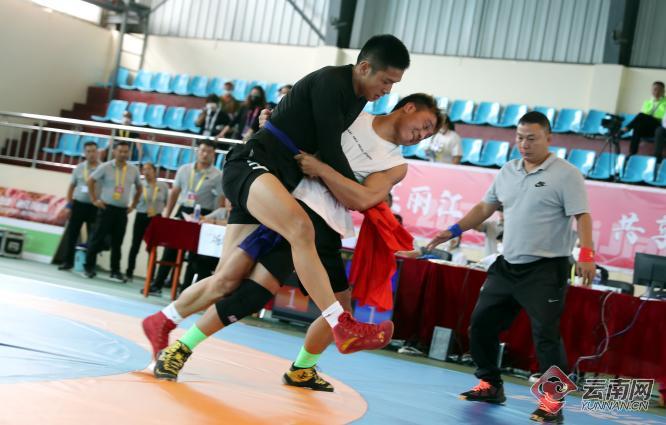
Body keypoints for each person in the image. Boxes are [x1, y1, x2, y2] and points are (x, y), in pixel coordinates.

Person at [144, 93, 440, 386]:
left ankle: (302, 368)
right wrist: (273, 122)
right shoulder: (351, 117)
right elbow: (296, 129)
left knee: (338, 306)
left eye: (429, 134)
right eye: (425, 125)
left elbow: (361, 199)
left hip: (327, 223)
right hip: (293, 206)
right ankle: (178, 345)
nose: (423, 135)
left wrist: (321, 169)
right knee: (242, 287)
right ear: (409, 107)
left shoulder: (395, 164)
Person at [214, 33, 410, 355]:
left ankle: (165, 324)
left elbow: (310, 131)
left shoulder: (358, 98)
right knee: (300, 230)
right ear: (364, 68)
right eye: (386, 81)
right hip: (254, 164)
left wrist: (357, 194)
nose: (388, 90)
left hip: (279, 179)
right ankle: (340, 323)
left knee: (224, 283)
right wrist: (355, 192)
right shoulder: (332, 82)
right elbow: (330, 150)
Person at [426, 111, 596, 423]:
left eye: (532, 138)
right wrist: (452, 230)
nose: (524, 144)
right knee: (481, 324)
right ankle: (490, 384)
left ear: (548, 138)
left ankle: (552, 403)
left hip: (546, 268)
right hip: (507, 265)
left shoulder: (566, 174)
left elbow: (582, 215)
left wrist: (587, 253)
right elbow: (484, 207)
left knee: (545, 335)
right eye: (519, 138)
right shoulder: (508, 170)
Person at [148, 140, 222, 294]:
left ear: (214, 154)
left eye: (209, 151)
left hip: (203, 214)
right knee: (170, 249)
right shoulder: (184, 169)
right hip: (183, 210)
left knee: (195, 254)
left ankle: (186, 290)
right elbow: (175, 192)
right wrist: (167, 215)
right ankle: (157, 284)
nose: (205, 154)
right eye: (202, 150)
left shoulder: (218, 175)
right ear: (197, 151)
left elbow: (219, 201)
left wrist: (212, 221)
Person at [83, 141, 142, 282]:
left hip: (122, 211)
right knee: (97, 238)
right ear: (114, 152)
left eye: (126, 151)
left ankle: (115, 271)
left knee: (117, 242)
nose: (123, 154)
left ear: (129, 153)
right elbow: (90, 181)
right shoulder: (105, 167)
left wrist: (133, 205)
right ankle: (89, 267)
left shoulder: (133, 169)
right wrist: (94, 199)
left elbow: (139, 188)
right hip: (106, 209)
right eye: (120, 151)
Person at [57, 140, 100, 270]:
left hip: (94, 206)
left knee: (93, 236)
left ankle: (90, 265)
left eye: (93, 151)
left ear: (97, 152)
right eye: (88, 151)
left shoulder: (103, 168)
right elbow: (71, 187)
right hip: (79, 205)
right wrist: (69, 205)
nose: (91, 154)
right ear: (84, 153)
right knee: (72, 235)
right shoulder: (79, 168)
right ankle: (68, 262)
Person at [125, 162, 169, 282]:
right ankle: (129, 273)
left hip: (156, 218)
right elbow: (134, 201)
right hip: (141, 216)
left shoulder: (163, 186)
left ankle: (151, 276)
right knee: (135, 245)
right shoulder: (139, 186)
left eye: (149, 169)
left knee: (152, 247)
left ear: (154, 171)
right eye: (144, 169)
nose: (146, 172)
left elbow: (166, 202)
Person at [622, 81, 666, 159]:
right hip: (648, 126)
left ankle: (627, 128)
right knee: (638, 126)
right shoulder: (647, 102)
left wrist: (650, 116)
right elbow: (643, 117)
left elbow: (663, 118)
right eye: (655, 89)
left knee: (641, 115)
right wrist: (653, 104)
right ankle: (632, 153)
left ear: (663, 91)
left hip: (658, 124)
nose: (656, 92)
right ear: (651, 90)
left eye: (659, 90)